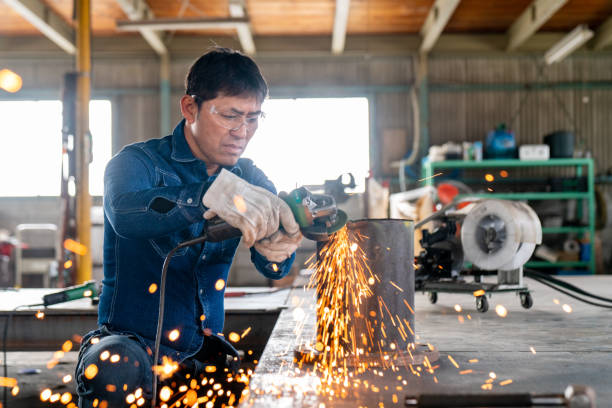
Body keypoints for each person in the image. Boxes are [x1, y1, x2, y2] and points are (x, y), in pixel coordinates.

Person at [75, 47, 303, 407]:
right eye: (230, 115)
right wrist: (205, 196)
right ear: (190, 108)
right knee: (113, 366)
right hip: (132, 348)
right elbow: (126, 214)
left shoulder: (251, 178)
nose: (242, 132)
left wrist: (279, 247)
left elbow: (273, 267)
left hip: (204, 353)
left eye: (253, 118)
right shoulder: (135, 163)